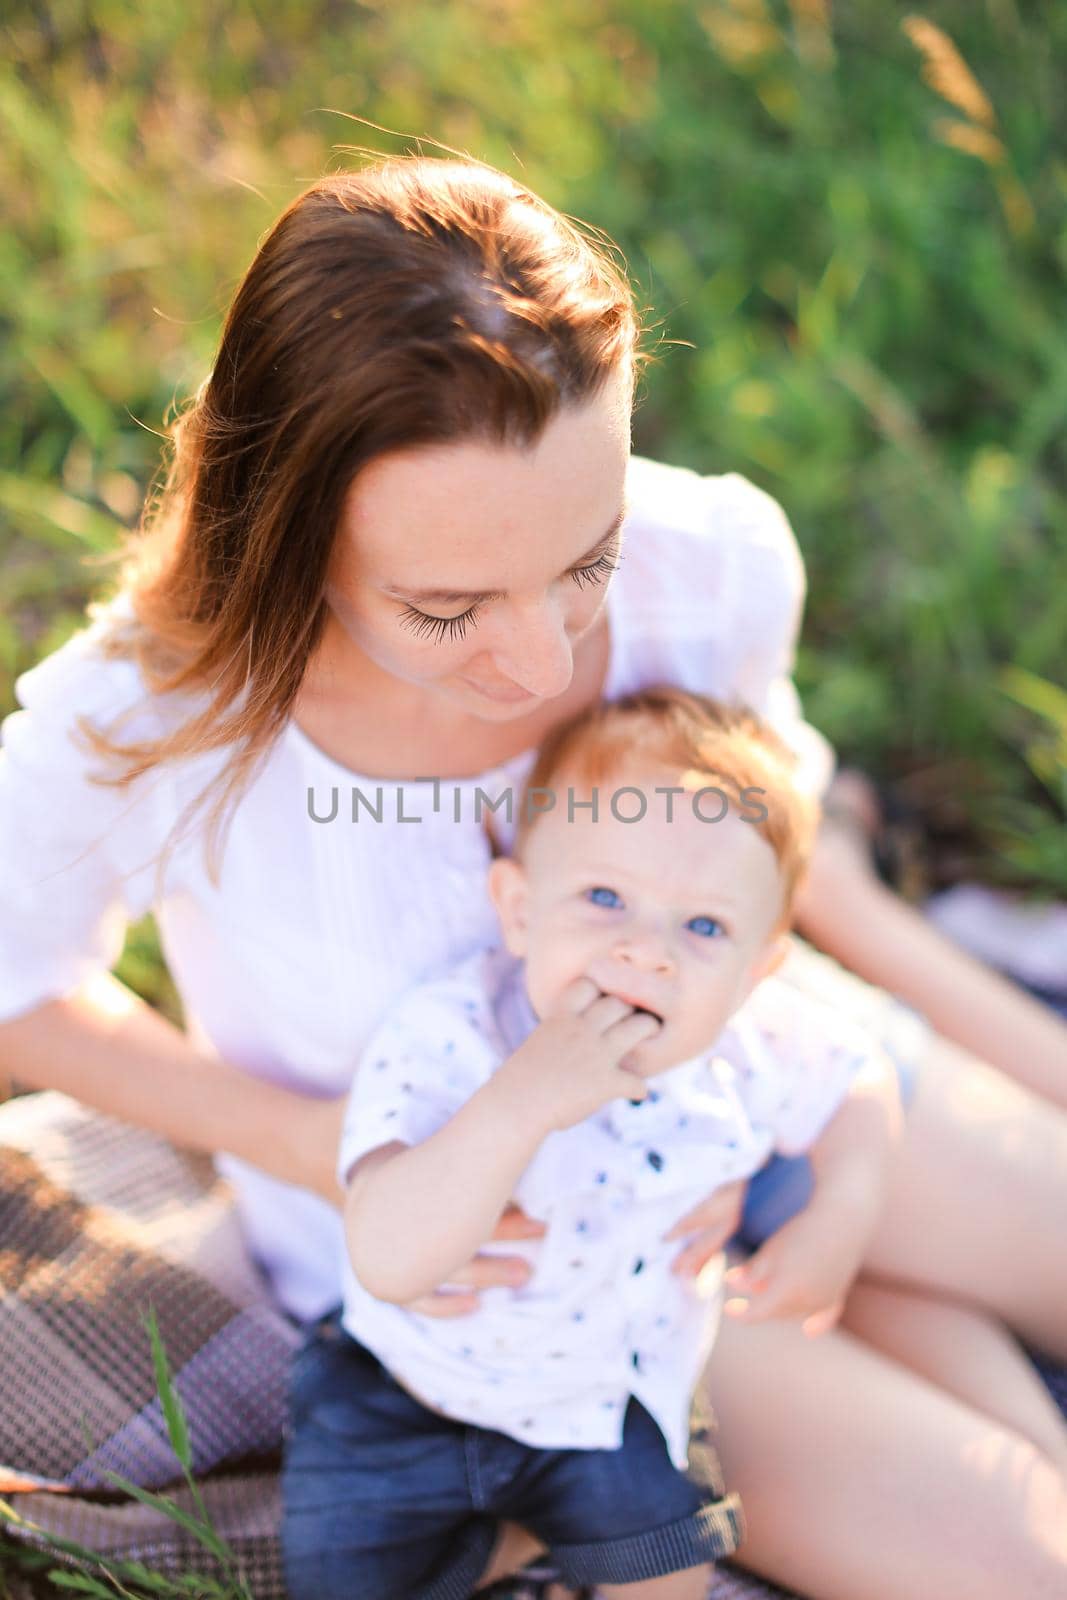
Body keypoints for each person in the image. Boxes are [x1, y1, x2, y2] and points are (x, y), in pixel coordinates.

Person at [0, 155, 1065, 1598]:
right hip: (522, 1271)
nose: (545, 662)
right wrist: (313, 1143)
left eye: (586, 558)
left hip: (747, 1066)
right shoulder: (144, 719)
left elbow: (749, 833)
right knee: (1021, 1560)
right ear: (288, 532)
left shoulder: (709, 565)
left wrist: (842, 1164)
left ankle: (871, 947)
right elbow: (18, 991)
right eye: (444, 610)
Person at [283, 688, 901, 1599]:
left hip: (612, 1396)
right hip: (406, 1390)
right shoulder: (448, 1038)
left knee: (672, 1566)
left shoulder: (749, 1044)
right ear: (518, 909)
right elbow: (384, 1253)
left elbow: (861, 1080)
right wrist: (517, 1101)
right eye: (604, 897)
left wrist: (842, 1208)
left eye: (703, 927)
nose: (646, 952)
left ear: (756, 970)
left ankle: (546, 1533)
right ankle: (504, 1542)